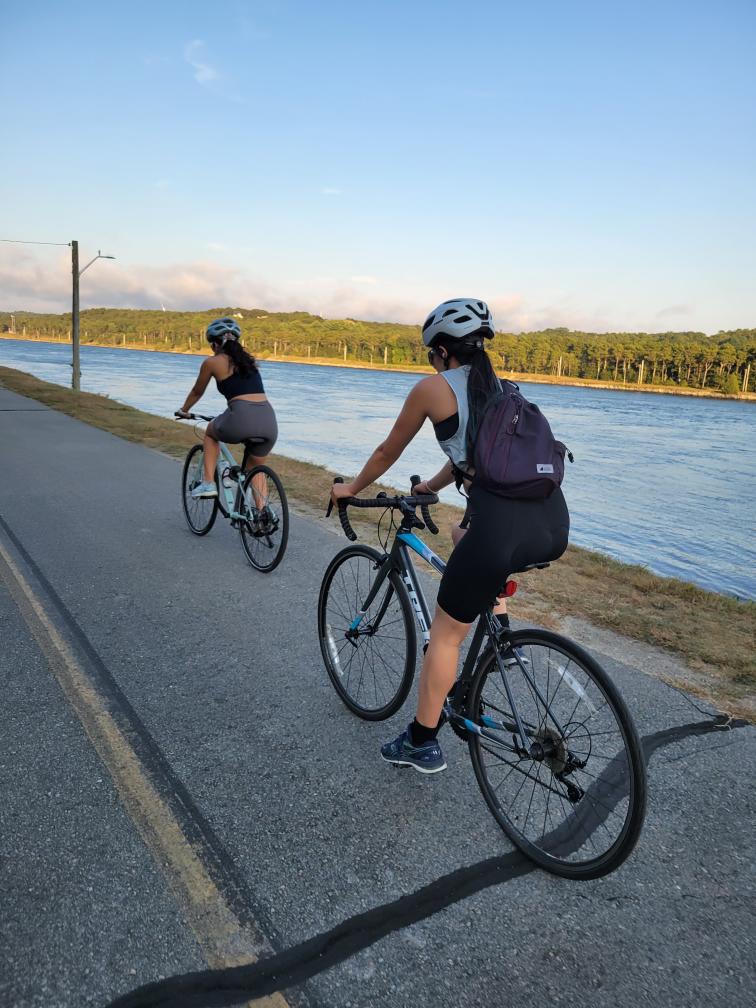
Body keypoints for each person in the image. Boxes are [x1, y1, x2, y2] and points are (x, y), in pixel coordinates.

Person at [331, 299, 570, 774]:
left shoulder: (432, 389)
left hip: (500, 527)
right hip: (551, 524)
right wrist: (433, 487)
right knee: (465, 534)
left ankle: (421, 742)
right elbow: (473, 453)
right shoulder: (501, 390)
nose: (430, 363)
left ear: (441, 351)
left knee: (444, 637)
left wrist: (351, 488)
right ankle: (500, 628)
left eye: (430, 355)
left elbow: (386, 451)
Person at [175, 317, 278, 498]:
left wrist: (184, 410)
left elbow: (197, 391)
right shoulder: (250, 363)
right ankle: (261, 517)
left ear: (215, 344)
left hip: (241, 417)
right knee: (256, 470)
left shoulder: (212, 362)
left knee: (210, 432)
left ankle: (208, 483)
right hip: (269, 420)